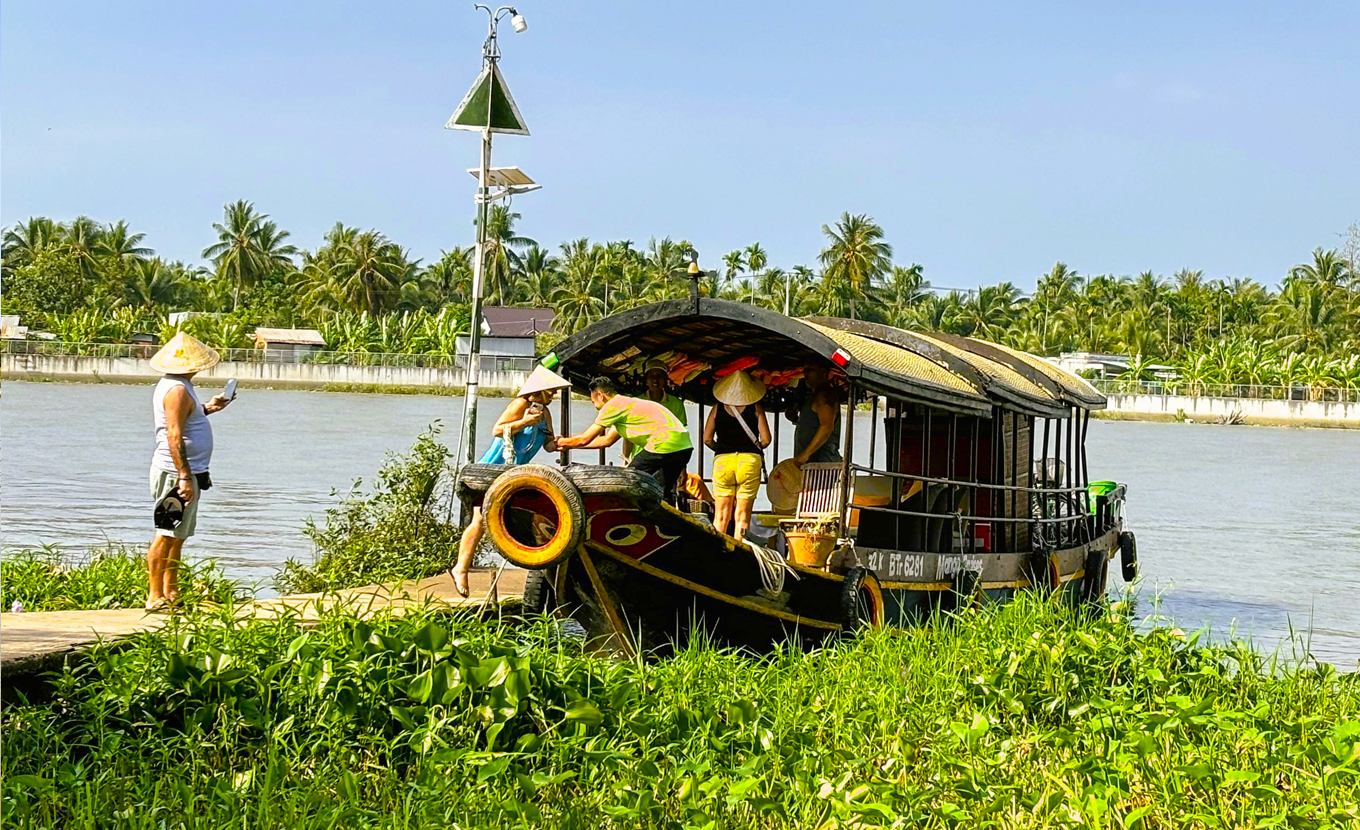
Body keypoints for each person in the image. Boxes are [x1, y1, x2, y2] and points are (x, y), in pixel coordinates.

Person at [452, 366, 570, 597]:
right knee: (479, 520)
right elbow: (497, 430)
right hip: (493, 469)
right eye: (551, 391)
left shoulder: (545, 414)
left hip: (515, 474)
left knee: (510, 518)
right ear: (541, 391)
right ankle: (461, 569)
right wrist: (524, 422)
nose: (554, 395)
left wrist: (560, 443)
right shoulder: (520, 405)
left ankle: (531, 563)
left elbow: (546, 444)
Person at [145, 332, 234, 611]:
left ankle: (171, 591)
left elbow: (186, 420)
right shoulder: (177, 389)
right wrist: (183, 476)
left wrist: (208, 408)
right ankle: (154, 595)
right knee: (165, 531)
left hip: (189, 472)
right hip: (176, 473)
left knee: (178, 533)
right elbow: (173, 434)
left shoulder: (181, 387)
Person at [558, 376, 694, 505]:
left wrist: (561, 443)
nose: (593, 404)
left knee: (629, 480)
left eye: (593, 400)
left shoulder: (612, 406)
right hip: (684, 447)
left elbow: (585, 439)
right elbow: (606, 441)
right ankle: (665, 525)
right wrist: (569, 446)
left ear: (600, 395)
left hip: (662, 444)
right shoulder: (627, 403)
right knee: (664, 491)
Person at [703, 370, 771, 539]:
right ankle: (738, 552)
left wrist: (721, 448)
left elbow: (707, 439)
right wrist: (753, 446)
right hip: (749, 461)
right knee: (742, 515)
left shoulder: (717, 408)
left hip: (723, 462)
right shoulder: (756, 408)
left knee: (720, 515)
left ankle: (717, 552)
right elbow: (766, 439)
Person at [787, 361, 843, 467]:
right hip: (812, 464)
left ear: (823, 371)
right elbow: (814, 424)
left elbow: (826, 426)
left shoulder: (824, 396)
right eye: (805, 371)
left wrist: (805, 455)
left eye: (810, 370)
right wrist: (796, 420)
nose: (806, 374)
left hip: (821, 465)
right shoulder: (816, 396)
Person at [642, 360, 688, 426]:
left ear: (665, 379)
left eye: (659, 376)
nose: (655, 379)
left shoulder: (676, 404)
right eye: (651, 376)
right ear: (646, 379)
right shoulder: (635, 402)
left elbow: (681, 430)